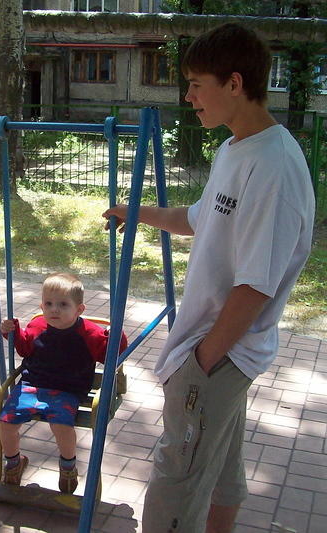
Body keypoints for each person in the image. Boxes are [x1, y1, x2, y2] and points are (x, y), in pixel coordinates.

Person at [103, 23, 315, 533]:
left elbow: (256, 285)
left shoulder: (274, 166)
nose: (189, 95)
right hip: (215, 351)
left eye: (198, 83)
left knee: (176, 480)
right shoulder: (234, 149)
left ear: (235, 84)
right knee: (220, 472)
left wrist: (202, 362)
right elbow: (197, 220)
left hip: (220, 354)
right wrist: (136, 211)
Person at [0, 272, 128, 494]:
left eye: (63, 304)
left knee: (61, 424)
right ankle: (13, 462)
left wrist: (116, 336)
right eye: (48, 304)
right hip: (33, 385)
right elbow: (24, 348)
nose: (54, 310)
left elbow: (112, 354)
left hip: (68, 389)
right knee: (6, 422)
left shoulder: (90, 333)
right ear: (42, 305)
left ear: (79, 310)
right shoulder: (37, 324)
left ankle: (68, 466)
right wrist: (11, 332)